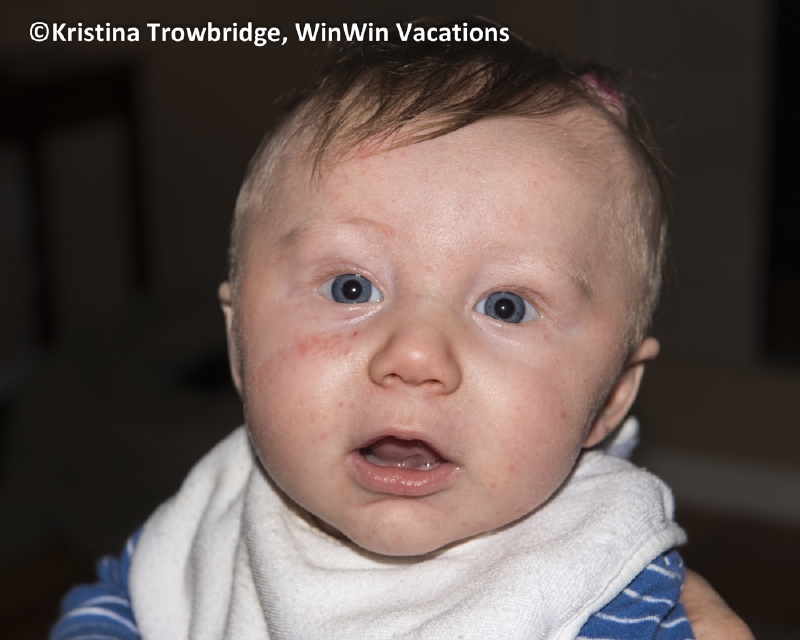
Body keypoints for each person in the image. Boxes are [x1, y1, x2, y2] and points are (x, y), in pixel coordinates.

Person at [51, 16, 754, 640]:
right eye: (351, 288)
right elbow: (118, 606)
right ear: (238, 343)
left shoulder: (602, 590)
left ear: (611, 397)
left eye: (505, 306)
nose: (415, 354)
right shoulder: (217, 514)